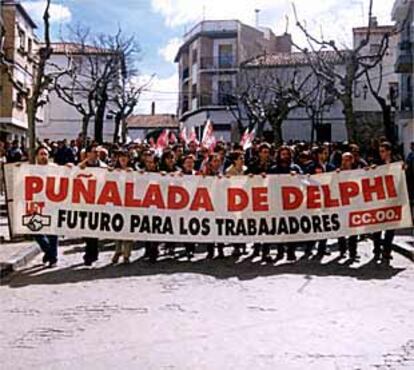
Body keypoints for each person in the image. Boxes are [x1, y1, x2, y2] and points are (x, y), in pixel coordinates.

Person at [269, 146, 302, 262]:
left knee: (291, 229)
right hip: (278, 203)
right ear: (279, 155)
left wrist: (297, 177)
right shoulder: (273, 169)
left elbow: (304, 180)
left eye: (287, 154)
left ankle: (291, 252)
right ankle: (280, 252)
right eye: (283, 154)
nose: (285, 157)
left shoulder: (296, 168)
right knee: (279, 228)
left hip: (292, 204)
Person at [79, 145, 107, 266]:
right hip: (84, 201)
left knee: (94, 227)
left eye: (97, 152)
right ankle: (91, 253)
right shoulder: (81, 167)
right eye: (94, 152)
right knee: (86, 229)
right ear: (88, 154)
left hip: (98, 201)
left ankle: (90, 254)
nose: (96, 154)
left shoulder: (103, 167)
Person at [33, 146, 59, 267]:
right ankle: (49, 252)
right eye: (41, 154)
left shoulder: (54, 168)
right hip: (37, 204)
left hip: (52, 204)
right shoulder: (31, 169)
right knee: (35, 231)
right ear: (37, 156)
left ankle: (53, 258)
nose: (44, 156)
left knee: (52, 232)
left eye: (46, 154)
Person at [372, 142, 396, 263]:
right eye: (380, 151)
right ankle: (377, 250)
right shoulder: (377, 165)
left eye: (383, 151)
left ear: (389, 151)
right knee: (377, 228)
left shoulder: (397, 163)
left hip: (393, 201)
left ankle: (387, 251)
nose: (381, 154)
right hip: (380, 201)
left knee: (391, 228)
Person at [110, 150, 135, 264]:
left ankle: (126, 254)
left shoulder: (134, 170)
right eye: (121, 157)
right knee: (117, 228)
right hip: (117, 203)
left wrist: (133, 174)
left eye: (125, 157)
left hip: (130, 204)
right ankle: (118, 251)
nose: (123, 159)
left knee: (128, 230)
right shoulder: (113, 170)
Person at [336, 152, 359, 260]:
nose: (344, 162)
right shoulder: (337, 172)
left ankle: (353, 252)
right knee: (341, 229)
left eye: (347, 160)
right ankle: (342, 250)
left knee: (354, 231)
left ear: (352, 160)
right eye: (343, 160)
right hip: (341, 205)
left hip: (354, 205)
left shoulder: (358, 172)